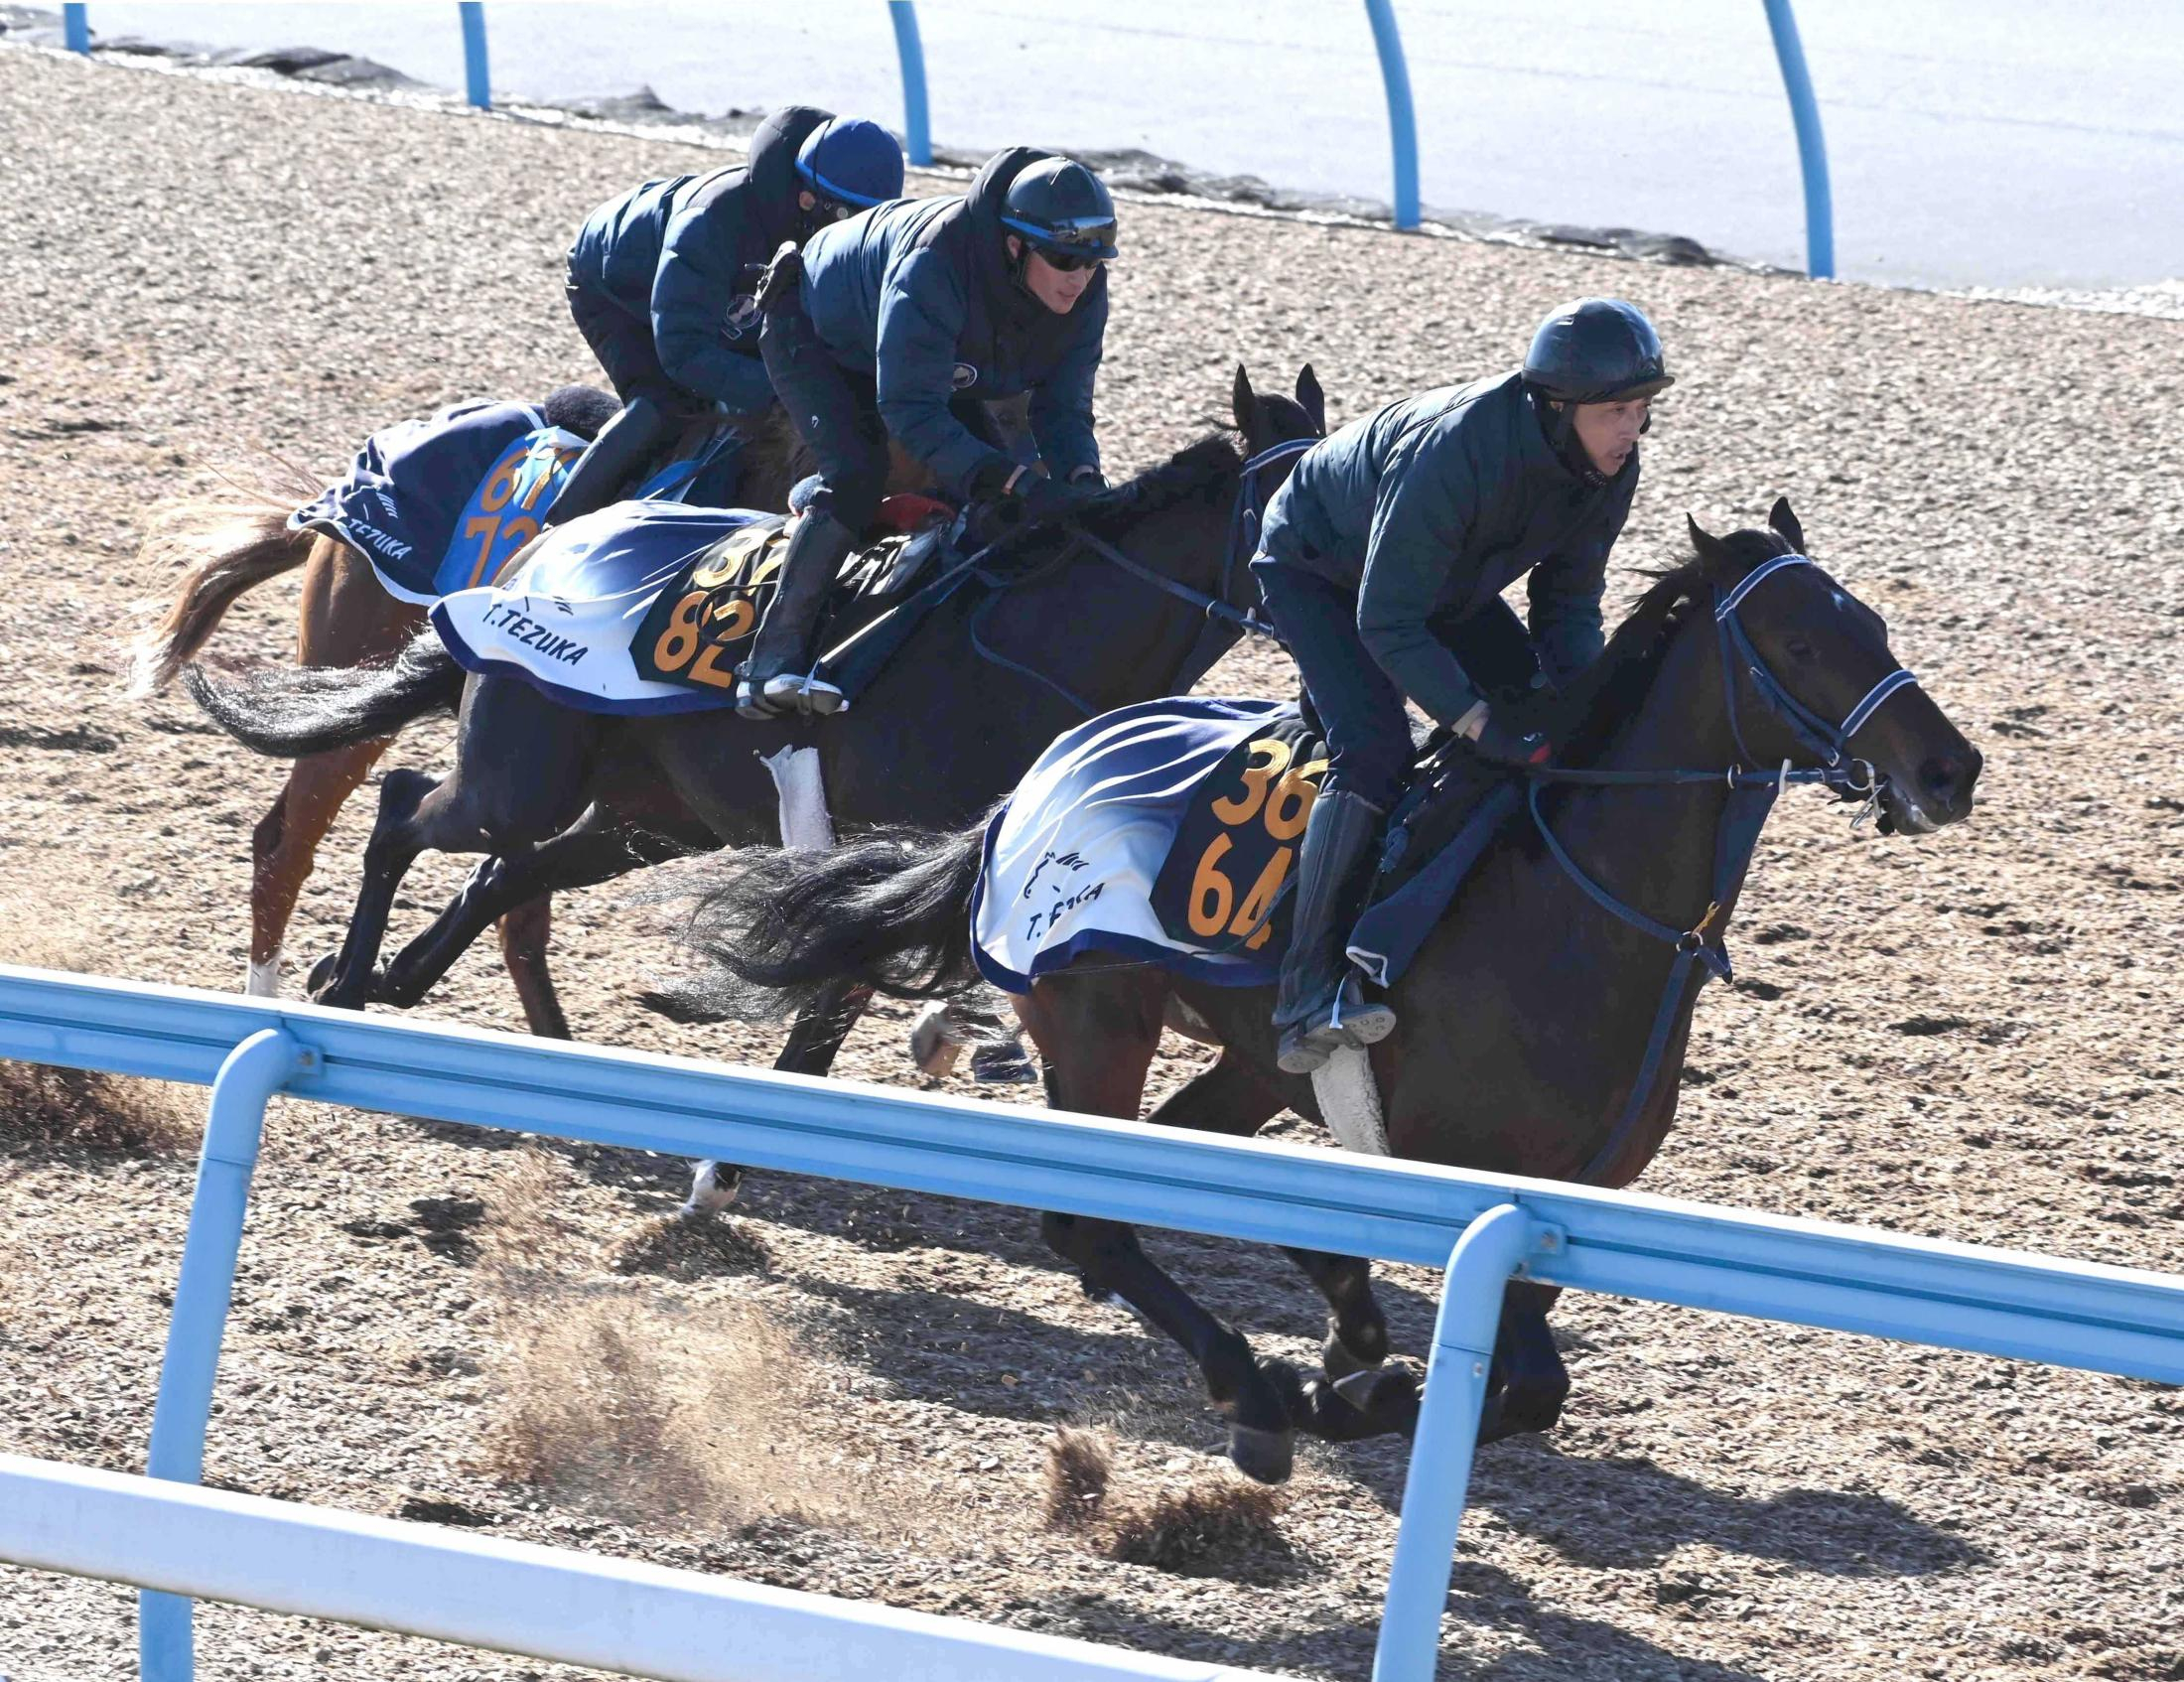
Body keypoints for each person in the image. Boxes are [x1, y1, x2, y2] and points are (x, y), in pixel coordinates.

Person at [1249, 297, 1673, 1074]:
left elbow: (1568, 604)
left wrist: (1586, 703)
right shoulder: (1456, 452)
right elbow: (1387, 621)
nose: (1632, 429)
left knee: (1546, 723)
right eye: (1616, 410)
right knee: (1374, 750)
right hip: (1320, 572)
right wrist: (1476, 720)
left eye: (1641, 408)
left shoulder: (1612, 466)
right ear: (1557, 406)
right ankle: (1305, 989)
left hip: (1443, 587)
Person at [739, 147, 1116, 717]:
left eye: (1093, 264)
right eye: (1065, 262)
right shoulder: (934, 263)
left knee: (1003, 492)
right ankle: (770, 662)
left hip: (921, 352)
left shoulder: (1084, 291)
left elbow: (1063, 409)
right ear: (1015, 246)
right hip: (812, 329)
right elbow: (909, 410)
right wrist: (1008, 475)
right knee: (858, 472)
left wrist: (1085, 479)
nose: (1080, 280)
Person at [553, 107, 905, 522]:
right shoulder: (713, 219)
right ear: (808, 199)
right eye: (851, 221)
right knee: (666, 403)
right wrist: (786, 391)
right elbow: (682, 350)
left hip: (715, 293)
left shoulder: (823, 224)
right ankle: (559, 523)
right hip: (614, 286)